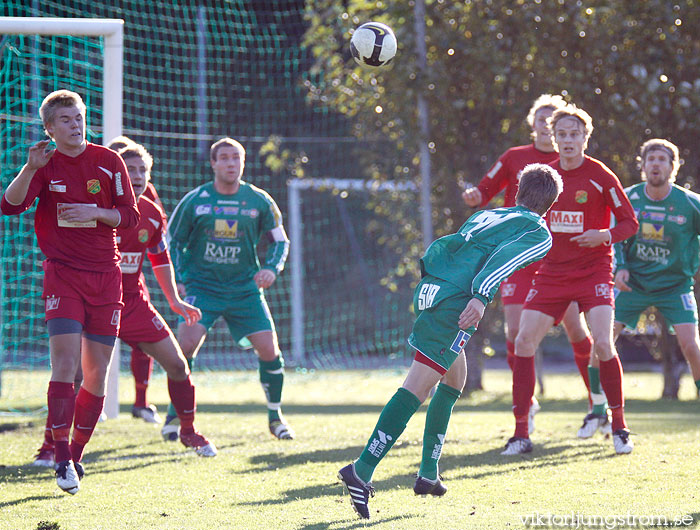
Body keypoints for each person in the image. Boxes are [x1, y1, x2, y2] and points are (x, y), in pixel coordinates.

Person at [338, 164, 563, 520]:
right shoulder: (538, 230)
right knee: (417, 386)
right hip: (457, 302)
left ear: (517, 191)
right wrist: (481, 296)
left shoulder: (490, 214)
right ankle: (361, 471)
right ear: (551, 203)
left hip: (435, 289)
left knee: (454, 378)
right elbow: (501, 261)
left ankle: (429, 474)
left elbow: (453, 246)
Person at [31, 143, 217, 464]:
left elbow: (161, 260)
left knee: (177, 364)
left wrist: (174, 300)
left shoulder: (151, 213)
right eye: (129, 170)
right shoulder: (92, 205)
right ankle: (51, 446)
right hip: (93, 300)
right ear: (116, 174)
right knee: (74, 374)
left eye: (143, 171)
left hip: (132, 303)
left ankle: (188, 431)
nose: (137, 176)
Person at [1, 89, 140, 494]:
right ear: (49, 128)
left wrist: (95, 212)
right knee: (64, 364)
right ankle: (60, 455)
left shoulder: (108, 161)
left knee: (97, 374)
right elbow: (9, 206)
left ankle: (76, 455)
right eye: (65, 119)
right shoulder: (44, 163)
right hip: (62, 275)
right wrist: (29, 169)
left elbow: (129, 218)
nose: (75, 124)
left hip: (106, 277)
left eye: (78, 117)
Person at [503, 104, 639, 456]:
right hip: (551, 274)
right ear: (551, 136)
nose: (566, 140)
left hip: (593, 271)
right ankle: (521, 434)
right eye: (560, 134)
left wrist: (604, 236)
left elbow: (629, 223)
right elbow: (525, 218)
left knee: (603, 345)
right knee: (522, 341)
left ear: (585, 137)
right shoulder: (542, 177)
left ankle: (620, 426)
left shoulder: (601, 175)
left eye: (573, 134)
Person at [463, 95, 597, 433]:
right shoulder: (515, 158)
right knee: (515, 331)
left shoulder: (569, 160)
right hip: (519, 256)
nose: (547, 123)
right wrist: (475, 196)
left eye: (553, 119)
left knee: (575, 329)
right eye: (542, 116)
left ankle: (596, 399)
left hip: (555, 258)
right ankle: (527, 403)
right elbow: (486, 187)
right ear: (534, 123)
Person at [162, 137, 293, 440]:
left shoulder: (259, 200)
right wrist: (181, 278)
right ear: (213, 163)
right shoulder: (195, 200)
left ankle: (276, 418)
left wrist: (271, 268)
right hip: (202, 288)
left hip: (245, 290)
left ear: (243, 163)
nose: (231, 163)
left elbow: (281, 241)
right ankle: (174, 417)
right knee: (184, 348)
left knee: (270, 350)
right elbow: (172, 243)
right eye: (224, 158)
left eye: (236, 157)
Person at [613, 139, 700, 393]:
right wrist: (621, 265)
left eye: (662, 159)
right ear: (643, 166)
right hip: (633, 285)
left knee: (691, 347)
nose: (655, 164)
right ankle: (598, 408)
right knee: (603, 342)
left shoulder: (691, 203)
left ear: (673, 167)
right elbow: (615, 233)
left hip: (675, 288)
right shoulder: (627, 198)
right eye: (651, 159)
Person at [106, 135, 163, 424]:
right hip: (98, 285)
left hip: (132, 286)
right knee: (85, 353)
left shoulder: (148, 197)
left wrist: (172, 284)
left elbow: (157, 239)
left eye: (139, 169)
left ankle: (141, 402)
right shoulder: (97, 189)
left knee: (146, 343)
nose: (134, 176)